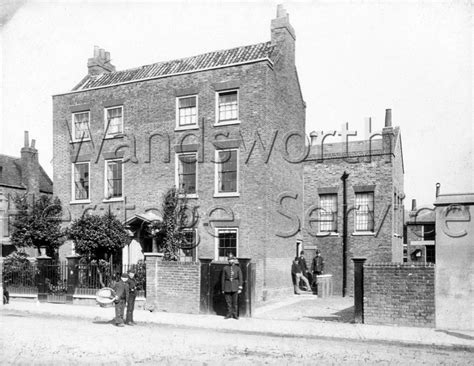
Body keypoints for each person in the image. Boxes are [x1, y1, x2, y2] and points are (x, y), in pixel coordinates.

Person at [221, 253, 243, 319]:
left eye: (231, 259)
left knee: (235, 302)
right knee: (228, 302)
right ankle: (229, 314)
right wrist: (223, 289)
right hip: (227, 287)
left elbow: (240, 278)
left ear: (234, 260)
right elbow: (223, 279)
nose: (230, 261)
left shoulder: (237, 268)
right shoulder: (225, 268)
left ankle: (235, 314)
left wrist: (240, 288)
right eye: (229, 259)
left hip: (235, 286)